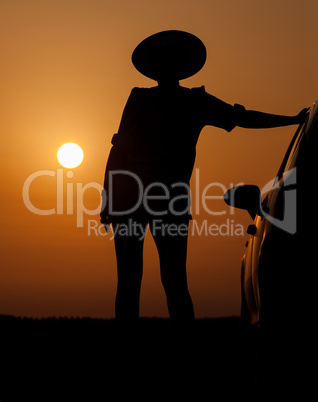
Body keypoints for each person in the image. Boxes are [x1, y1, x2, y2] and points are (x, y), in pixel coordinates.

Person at [100, 30, 308, 321]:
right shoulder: (176, 101)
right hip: (153, 202)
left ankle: (165, 355)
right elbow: (119, 151)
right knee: (161, 283)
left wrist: (292, 120)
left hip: (147, 202)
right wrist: (108, 199)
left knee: (150, 283)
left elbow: (243, 118)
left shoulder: (174, 101)